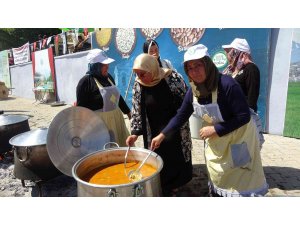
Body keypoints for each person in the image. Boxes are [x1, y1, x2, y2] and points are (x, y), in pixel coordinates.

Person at [151, 44, 269, 197]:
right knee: (220, 177)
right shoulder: (193, 90)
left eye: (198, 65)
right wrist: (162, 135)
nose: (195, 71)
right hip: (218, 142)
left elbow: (243, 116)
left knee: (241, 177)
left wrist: (215, 129)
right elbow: (181, 115)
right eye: (190, 68)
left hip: (239, 137)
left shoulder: (227, 85)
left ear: (207, 64)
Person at [126, 53, 193, 197]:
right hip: (153, 128)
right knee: (156, 158)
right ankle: (162, 185)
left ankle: (175, 185)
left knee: (175, 157)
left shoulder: (172, 78)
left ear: (152, 69)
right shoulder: (139, 84)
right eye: (137, 74)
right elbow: (136, 109)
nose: (139, 78)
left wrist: (175, 124)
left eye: (142, 74)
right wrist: (134, 133)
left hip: (174, 127)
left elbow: (186, 104)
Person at [76, 49, 131, 146]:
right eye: (103, 65)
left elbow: (117, 97)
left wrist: (128, 112)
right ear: (95, 66)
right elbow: (81, 110)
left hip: (116, 120)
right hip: (99, 125)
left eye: (107, 64)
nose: (107, 66)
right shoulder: (85, 82)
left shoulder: (108, 77)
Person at [222, 38, 264, 148]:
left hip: (242, 118)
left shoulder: (251, 69)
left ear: (239, 53)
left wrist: (246, 120)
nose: (228, 54)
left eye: (231, 51)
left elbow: (252, 97)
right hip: (230, 117)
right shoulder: (231, 70)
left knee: (242, 150)